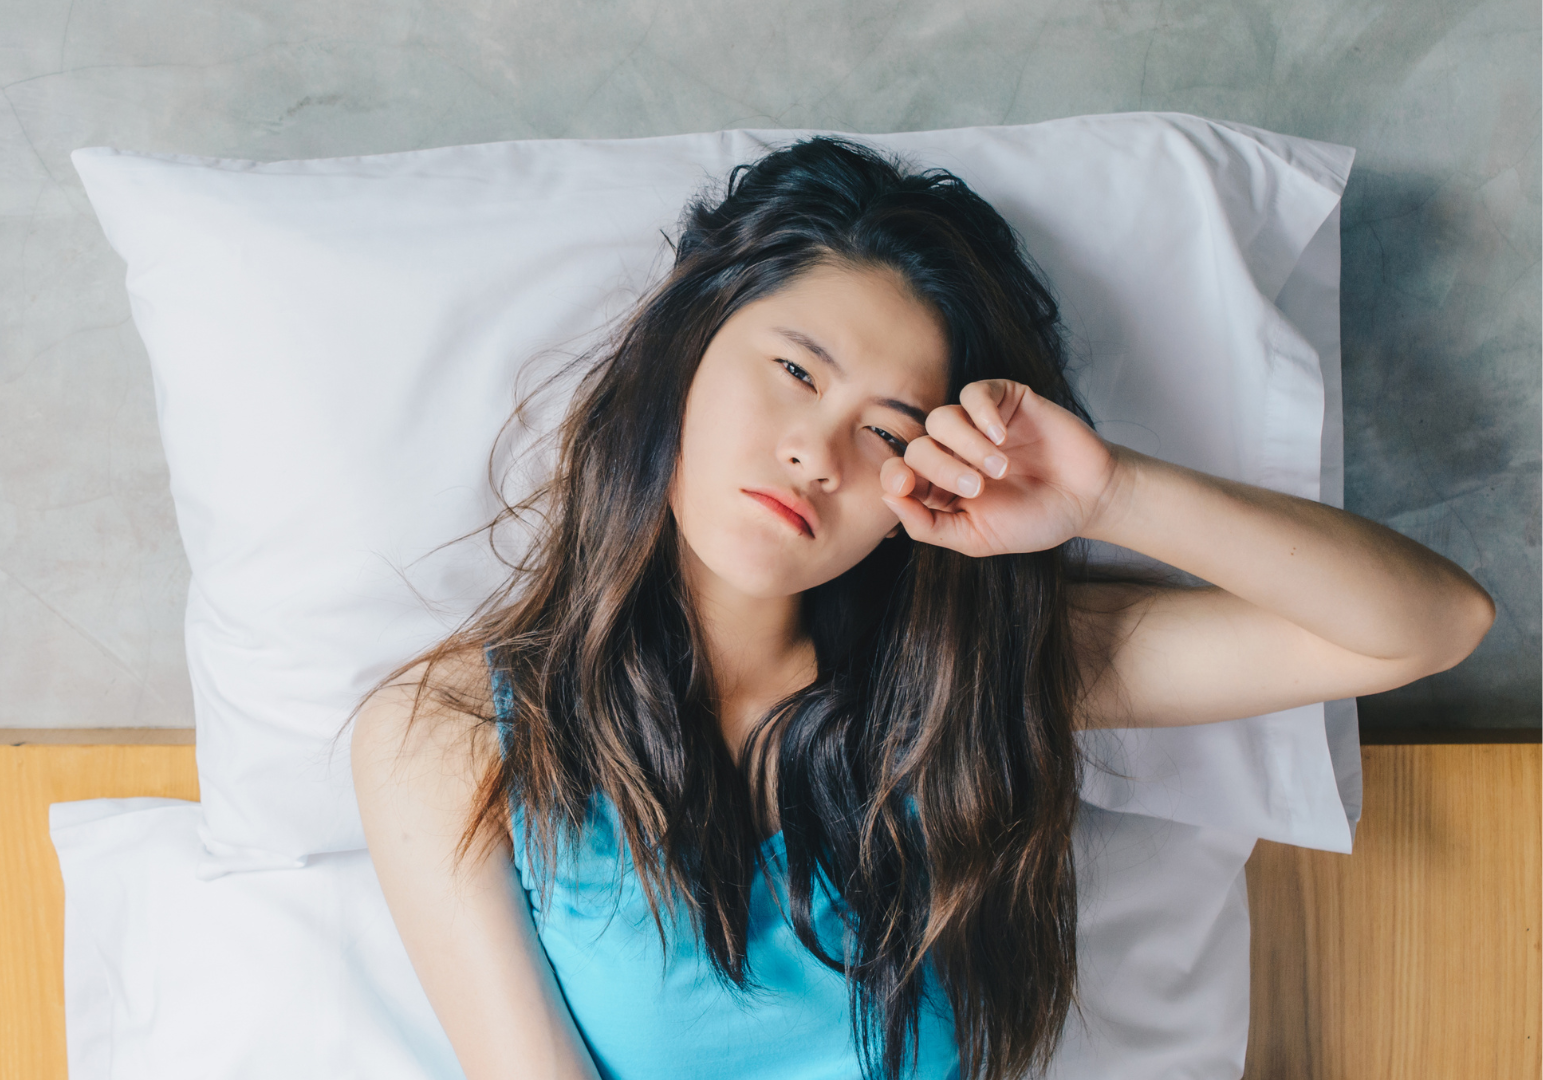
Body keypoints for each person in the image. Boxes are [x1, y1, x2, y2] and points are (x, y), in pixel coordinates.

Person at [350, 137, 1494, 1080]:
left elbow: (1428, 625)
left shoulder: (961, 680)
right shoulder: (448, 732)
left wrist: (1112, 491)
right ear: (683, 348)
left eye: (890, 432)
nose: (816, 453)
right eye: (796, 371)